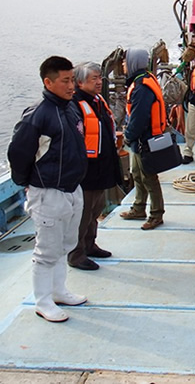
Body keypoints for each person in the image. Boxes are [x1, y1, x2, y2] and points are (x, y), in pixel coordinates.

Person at [7, 56, 89, 323]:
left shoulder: (71, 109)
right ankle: (42, 301)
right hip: (48, 192)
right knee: (46, 250)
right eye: (65, 81)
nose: (71, 86)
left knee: (66, 243)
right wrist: (29, 185)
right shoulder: (38, 115)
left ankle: (58, 290)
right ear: (48, 81)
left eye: (72, 79)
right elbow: (18, 154)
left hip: (72, 188)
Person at [68, 62, 122, 271]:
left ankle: (90, 245)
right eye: (94, 79)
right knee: (83, 213)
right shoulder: (75, 105)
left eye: (100, 78)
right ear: (80, 82)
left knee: (95, 210)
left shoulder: (97, 101)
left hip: (102, 168)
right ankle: (76, 254)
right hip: (87, 171)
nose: (99, 82)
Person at [119, 48, 168, 230]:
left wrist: (128, 136)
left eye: (125, 62)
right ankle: (138, 207)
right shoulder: (143, 80)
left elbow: (139, 119)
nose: (123, 65)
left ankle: (156, 214)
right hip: (138, 141)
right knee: (137, 174)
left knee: (148, 177)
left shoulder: (142, 88)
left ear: (133, 63)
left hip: (144, 140)